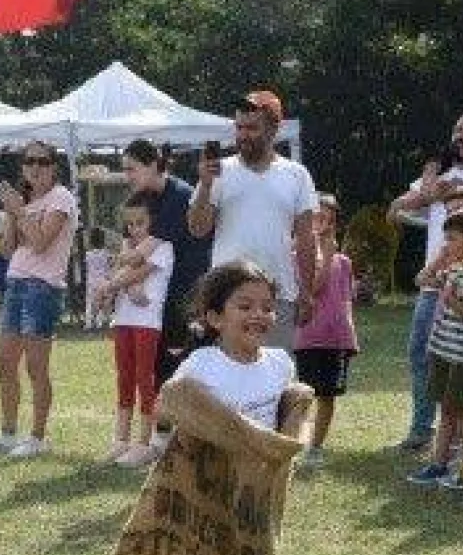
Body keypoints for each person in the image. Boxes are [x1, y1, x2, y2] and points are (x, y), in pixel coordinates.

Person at [388, 110, 463, 450]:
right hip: (434, 284)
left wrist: (439, 186)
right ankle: (422, 429)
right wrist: (428, 191)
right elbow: (395, 209)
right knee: (421, 352)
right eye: (458, 127)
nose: (462, 134)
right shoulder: (440, 175)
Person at [188, 91, 317, 351]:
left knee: (276, 380)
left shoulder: (296, 174)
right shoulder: (219, 172)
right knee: (226, 380)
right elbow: (198, 229)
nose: (243, 135)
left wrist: (307, 292)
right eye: (239, 127)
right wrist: (204, 185)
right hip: (227, 296)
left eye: (252, 128)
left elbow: (306, 239)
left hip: (278, 297)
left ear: (274, 129)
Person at [0, 140, 78, 457]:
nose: (35, 167)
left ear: (53, 167)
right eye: (29, 161)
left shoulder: (61, 198)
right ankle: (8, 433)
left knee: (36, 367)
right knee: (3, 363)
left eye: (42, 161)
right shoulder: (25, 202)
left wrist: (19, 210)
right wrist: (11, 214)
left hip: (42, 288)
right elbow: (8, 250)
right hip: (17, 284)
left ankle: (37, 437)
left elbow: (41, 243)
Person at [408, 210, 463, 487]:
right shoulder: (454, 269)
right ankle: (438, 463)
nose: (446, 244)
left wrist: (450, 299)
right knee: (446, 408)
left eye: (452, 239)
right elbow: (421, 279)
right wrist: (440, 261)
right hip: (444, 351)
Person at [120, 138, 213, 389]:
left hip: (186, 296)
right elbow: (130, 246)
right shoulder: (145, 199)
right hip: (159, 296)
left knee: (181, 366)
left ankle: (179, 423)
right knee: (158, 367)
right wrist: (129, 282)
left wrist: (112, 282)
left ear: (152, 165)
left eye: (131, 168)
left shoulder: (180, 195)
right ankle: (161, 425)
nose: (126, 176)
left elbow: (140, 254)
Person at [165, 260, 296, 428]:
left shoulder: (280, 362)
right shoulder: (200, 365)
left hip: (264, 453)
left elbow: (292, 419)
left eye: (267, 308)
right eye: (245, 306)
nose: (258, 314)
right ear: (215, 318)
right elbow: (166, 408)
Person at [95, 195, 173, 467]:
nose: (134, 229)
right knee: (124, 379)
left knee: (145, 380)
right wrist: (120, 287)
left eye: (140, 223)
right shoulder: (127, 249)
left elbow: (136, 275)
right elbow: (123, 280)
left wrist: (116, 284)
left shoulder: (163, 247)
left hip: (147, 324)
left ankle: (145, 443)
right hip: (123, 322)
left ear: (153, 222)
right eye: (129, 224)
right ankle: (120, 440)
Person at [293, 194, 358, 469]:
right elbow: (312, 290)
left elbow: (345, 301)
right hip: (307, 337)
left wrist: (349, 337)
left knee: (328, 395)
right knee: (304, 394)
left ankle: (316, 447)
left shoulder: (343, 262)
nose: (325, 222)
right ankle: (298, 441)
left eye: (330, 218)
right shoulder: (296, 257)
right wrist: (326, 254)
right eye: (319, 216)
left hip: (335, 339)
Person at [83, 228, 113, 330]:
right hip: (103, 280)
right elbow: (109, 266)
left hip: (91, 280)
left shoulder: (88, 254)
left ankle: (88, 323)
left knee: (89, 302)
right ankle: (99, 322)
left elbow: (87, 267)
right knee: (100, 301)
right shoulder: (106, 253)